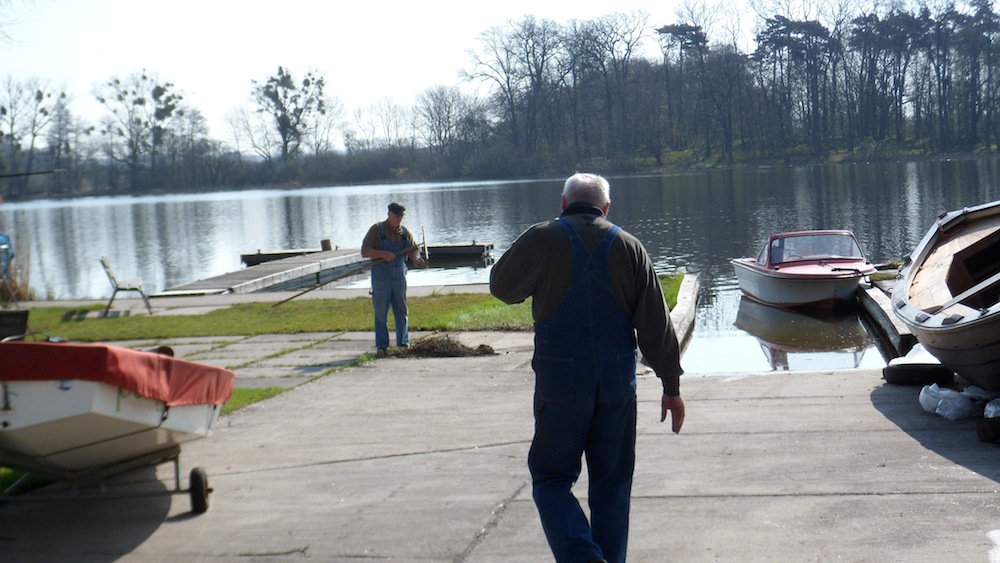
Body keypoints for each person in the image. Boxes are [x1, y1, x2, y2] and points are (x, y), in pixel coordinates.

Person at [490, 173, 685, 563]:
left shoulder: (541, 237)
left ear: (563, 203)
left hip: (560, 383)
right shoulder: (630, 247)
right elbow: (656, 326)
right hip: (617, 384)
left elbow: (501, 286)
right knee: (612, 487)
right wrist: (671, 386)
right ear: (606, 208)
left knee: (551, 479)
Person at [361, 202, 424, 355]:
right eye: (396, 216)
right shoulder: (376, 230)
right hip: (381, 279)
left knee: (402, 311)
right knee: (381, 312)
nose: (398, 220)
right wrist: (382, 254)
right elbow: (365, 251)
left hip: (399, 278)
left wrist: (416, 258)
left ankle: (403, 344)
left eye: (401, 217)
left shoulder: (404, 233)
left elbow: (413, 249)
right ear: (389, 214)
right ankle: (382, 347)